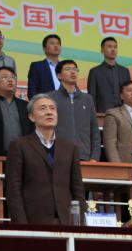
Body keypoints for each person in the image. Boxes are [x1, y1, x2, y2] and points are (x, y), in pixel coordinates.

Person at [5, 93, 86, 225]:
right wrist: (21, 226)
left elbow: (78, 190)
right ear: (31, 117)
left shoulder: (70, 148)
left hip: (66, 222)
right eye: (42, 108)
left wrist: (79, 223)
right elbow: (13, 190)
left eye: (52, 108)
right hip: (33, 221)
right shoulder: (19, 146)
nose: (49, 112)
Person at [48, 60, 101, 161]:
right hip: (58, 156)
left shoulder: (87, 99)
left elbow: (94, 131)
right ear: (59, 76)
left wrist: (94, 157)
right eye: (68, 69)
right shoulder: (50, 98)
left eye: (75, 69)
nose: (73, 72)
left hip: (84, 156)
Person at [87, 37, 132, 113]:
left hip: (123, 113)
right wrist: (94, 114)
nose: (113, 49)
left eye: (115, 47)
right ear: (102, 50)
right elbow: (92, 96)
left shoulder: (125, 71)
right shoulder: (95, 72)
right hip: (103, 113)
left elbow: (129, 93)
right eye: (109, 47)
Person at [27, 34, 62, 99]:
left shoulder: (65, 67)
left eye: (58, 43)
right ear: (44, 48)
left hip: (64, 103)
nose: (56, 45)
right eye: (52, 43)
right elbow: (32, 91)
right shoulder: (37, 66)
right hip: (45, 103)